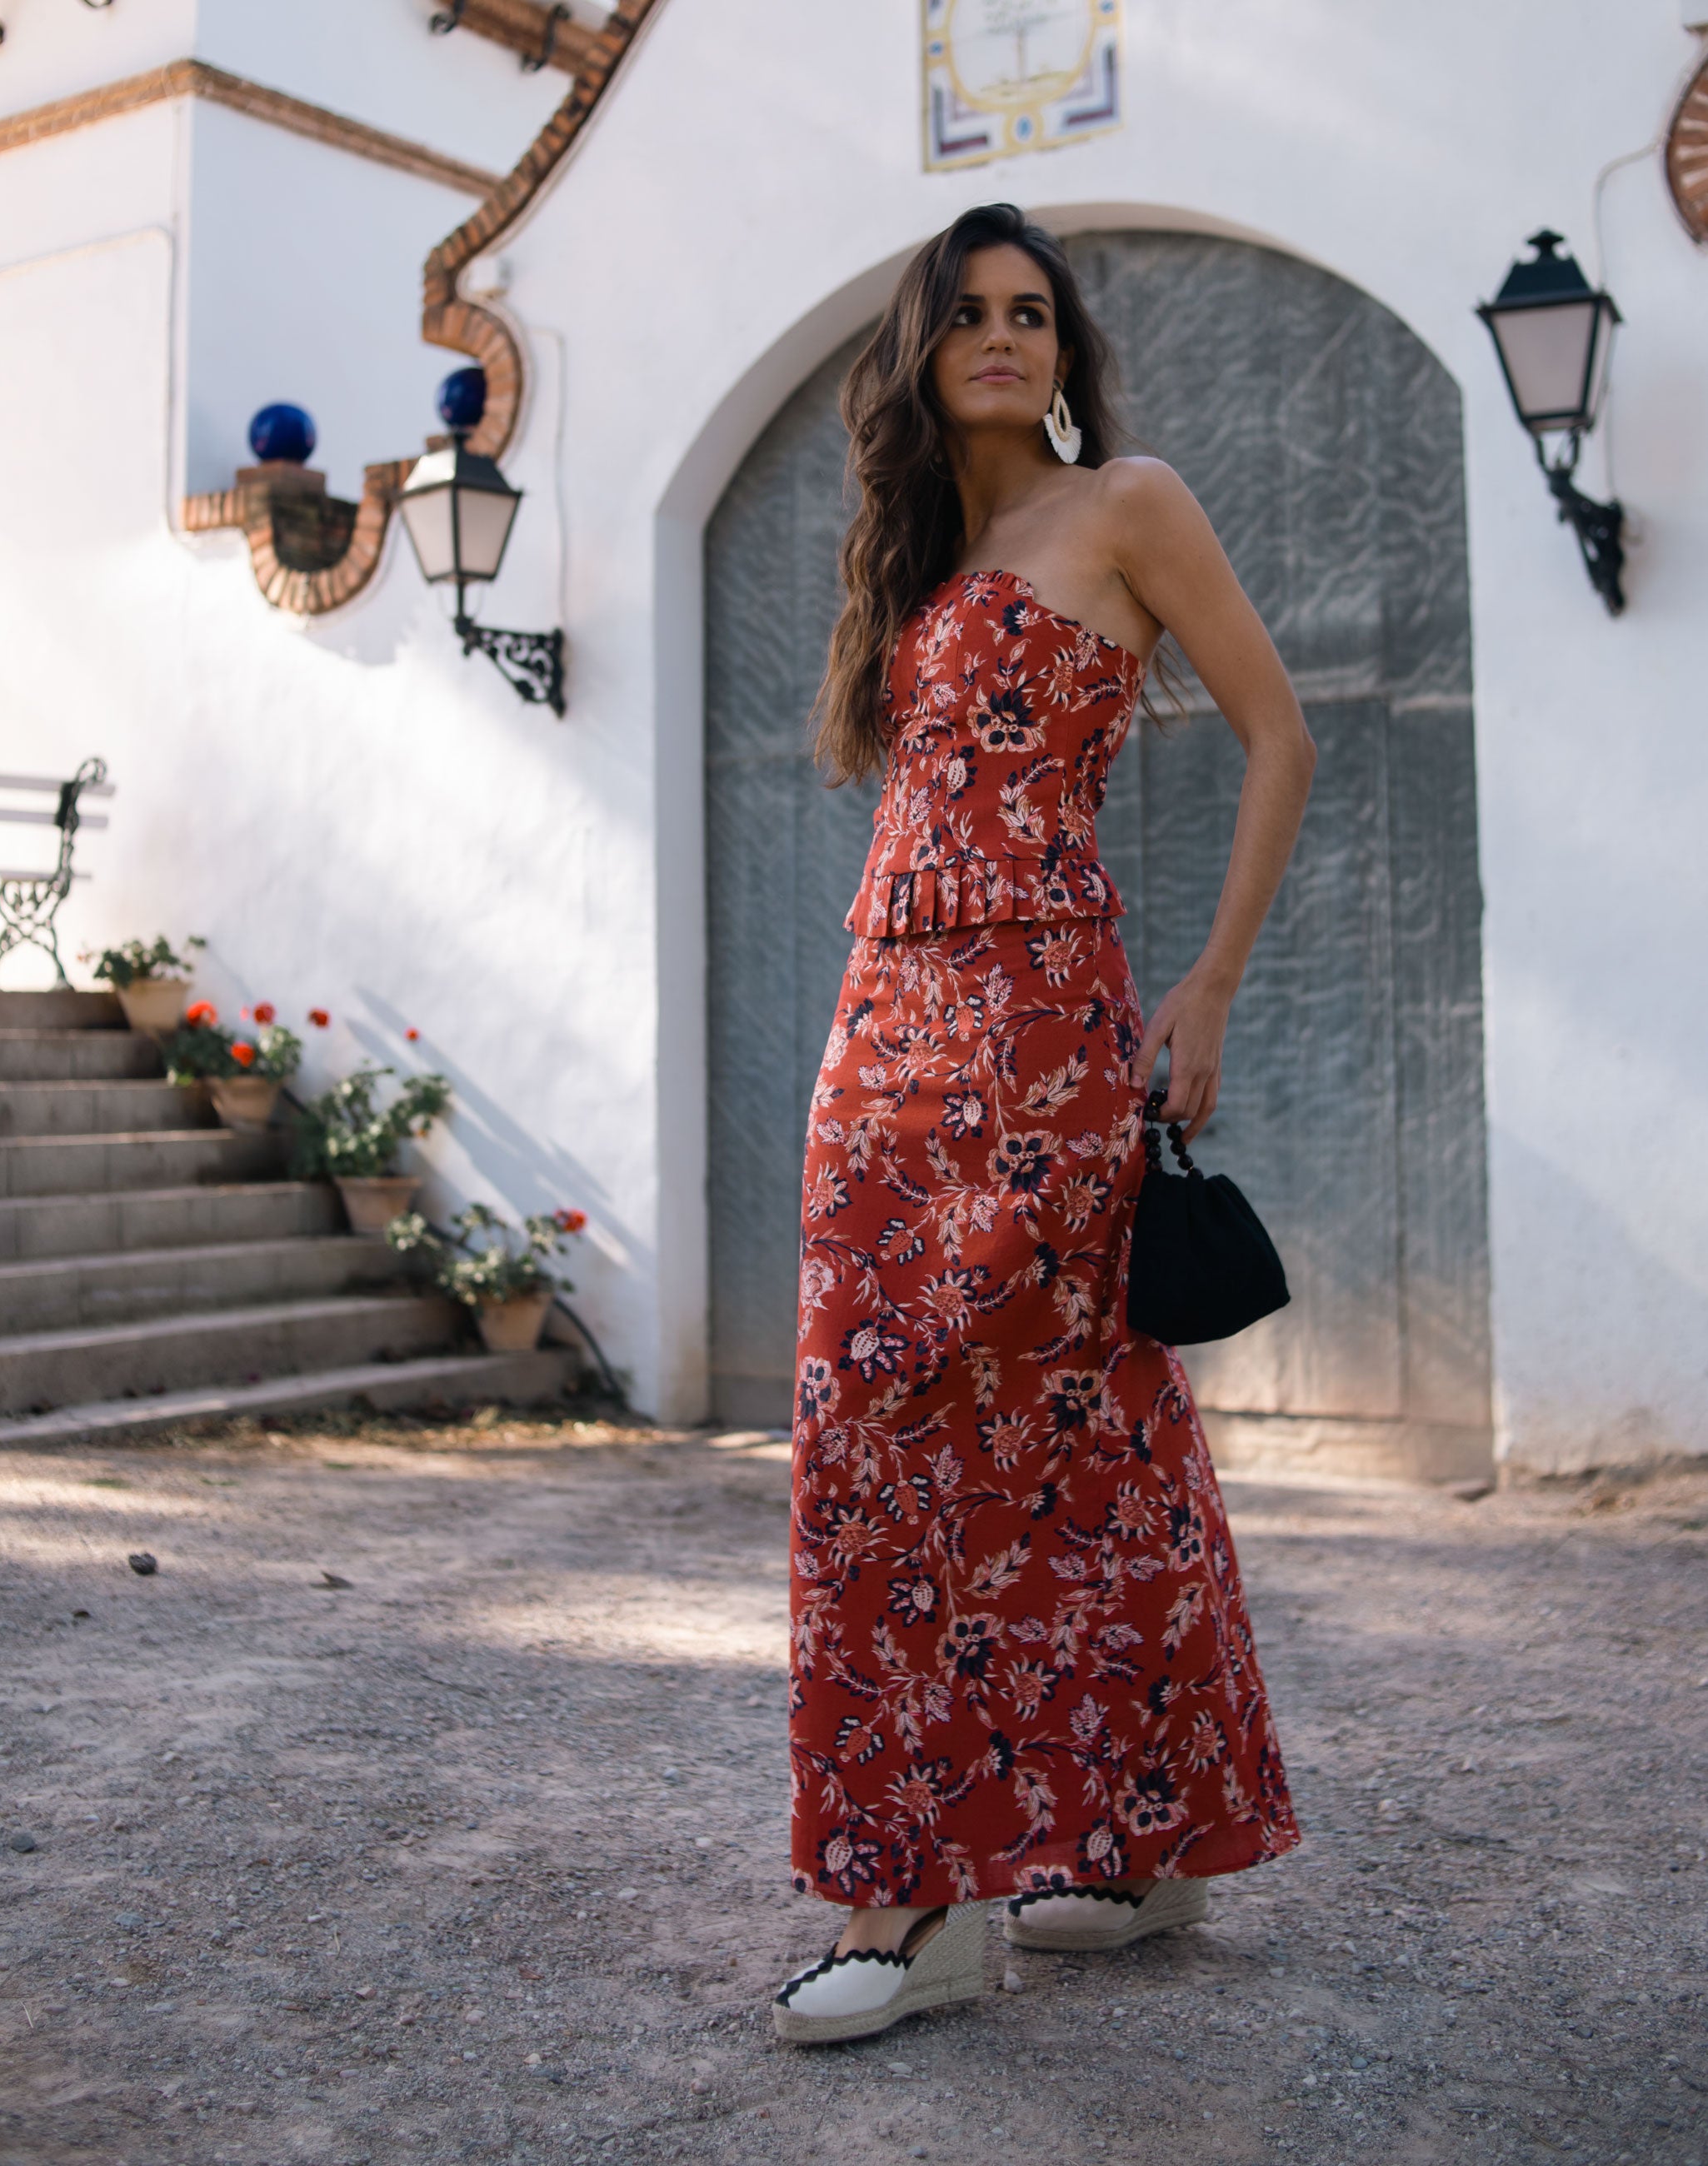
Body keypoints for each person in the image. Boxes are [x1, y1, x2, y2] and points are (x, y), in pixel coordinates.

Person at [772, 205, 1315, 2047]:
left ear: (1065, 351)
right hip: (885, 1025)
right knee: (884, 1422)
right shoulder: (922, 558)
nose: (1003, 337)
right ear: (923, 352)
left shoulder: (1128, 504)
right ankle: (1132, 1848)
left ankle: (921, 1906)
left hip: (1045, 1030)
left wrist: (1212, 984)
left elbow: (1283, 736)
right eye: (970, 315)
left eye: (1032, 314)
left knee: (1072, 1419)